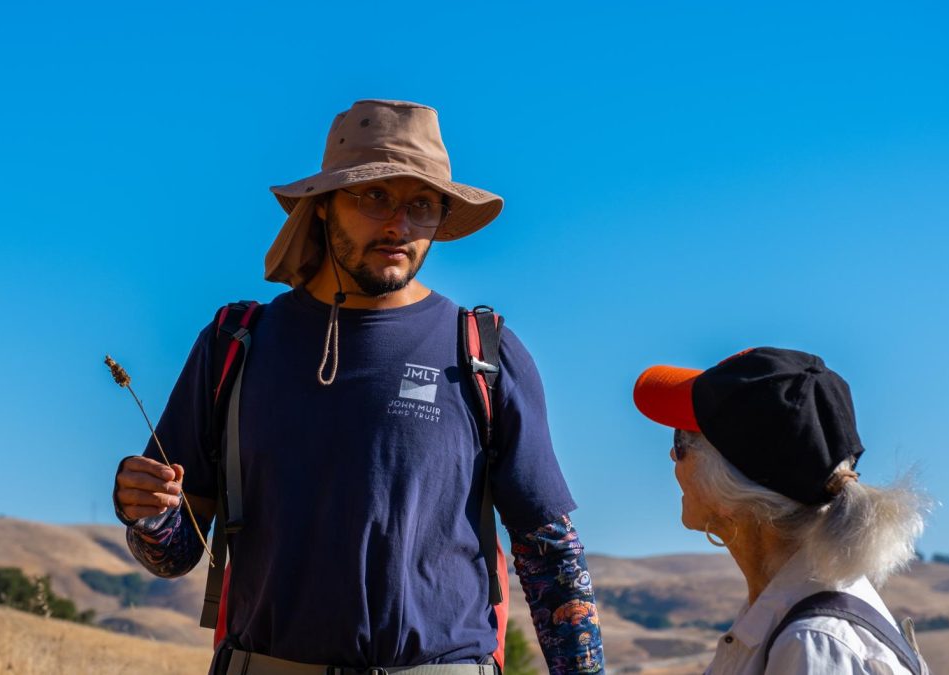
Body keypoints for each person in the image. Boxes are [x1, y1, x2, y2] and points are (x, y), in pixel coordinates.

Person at [112, 100, 604, 674]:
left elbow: (552, 560)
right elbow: (173, 555)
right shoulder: (236, 345)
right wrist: (146, 514)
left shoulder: (482, 352)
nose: (399, 225)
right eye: (375, 197)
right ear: (323, 207)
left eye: (421, 205)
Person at [632, 347, 928, 674]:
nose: (673, 457)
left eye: (682, 441)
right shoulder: (791, 616)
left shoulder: (812, 643)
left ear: (729, 490)